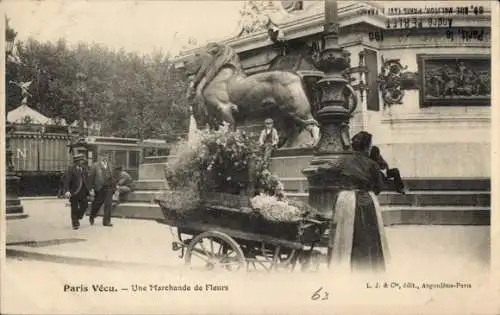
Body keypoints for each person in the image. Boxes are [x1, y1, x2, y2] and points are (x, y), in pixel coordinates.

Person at [320, 131, 390, 273]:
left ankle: (343, 267)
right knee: (368, 235)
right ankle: (368, 268)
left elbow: (326, 171)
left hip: (345, 200)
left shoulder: (342, 160)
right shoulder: (372, 164)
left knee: (343, 234)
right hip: (366, 200)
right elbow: (378, 188)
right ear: (367, 147)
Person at [88, 152, 115, 227]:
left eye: (106, 156)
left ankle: (106, 221)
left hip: (109, 187)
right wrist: (91, 189)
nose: (105, 157)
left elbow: (113, 177)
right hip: (99, 188)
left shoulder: (110, 165)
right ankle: (92, 216)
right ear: (100, 157)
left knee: (108, 205)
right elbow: (91, 178)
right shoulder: (95, 165)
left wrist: (114, 188)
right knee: (97, 204)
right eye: (103, 156)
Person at [63, 153, 89, 230]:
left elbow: (87, 180)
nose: (83, 162)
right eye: (81, 160)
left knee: (85, 205)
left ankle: (78, 216)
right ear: (77, 161)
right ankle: (75, 223)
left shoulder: (84, 168)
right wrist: (67, 190)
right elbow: (67, 180)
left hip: (83, 191)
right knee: (74, 207)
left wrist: (90, 189)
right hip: (74, 192)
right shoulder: (71, 169)